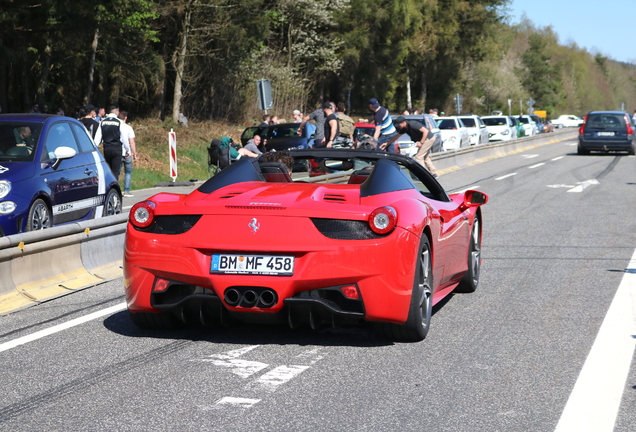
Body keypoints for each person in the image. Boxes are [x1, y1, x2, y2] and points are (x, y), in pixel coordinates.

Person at [94, 105, 124, 179]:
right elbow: (123, 137)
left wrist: (95, 147)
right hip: (117, 148)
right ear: (116, 111)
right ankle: (115, 187)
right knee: (116, 171)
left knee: (108, 169)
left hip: (107, 148)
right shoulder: (119, 122)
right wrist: (126, 149)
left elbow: (97, 138)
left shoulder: (103, 122)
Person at [118, 110, 138, 197]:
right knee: (128, 172)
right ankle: (126, 190)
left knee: (117, 172)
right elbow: (132, 142)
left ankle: (116, 190)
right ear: (125, 118)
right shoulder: (128, 128)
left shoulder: (116, 127)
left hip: (117, 152)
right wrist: (135, 154)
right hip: (127, 153)